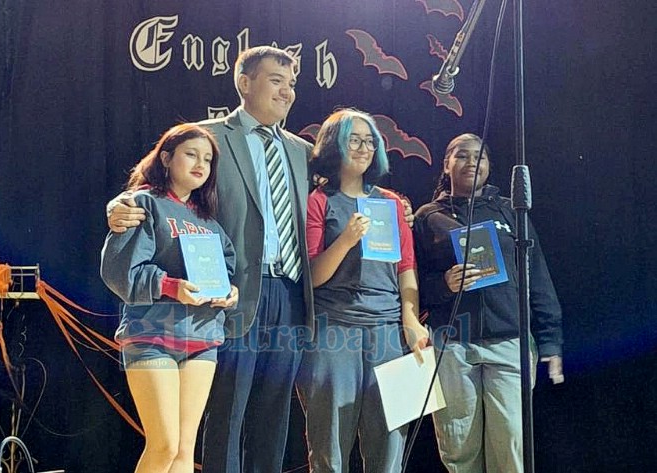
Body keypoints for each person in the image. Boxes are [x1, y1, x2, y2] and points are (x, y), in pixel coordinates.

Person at [107, 46, 315, 473]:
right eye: (276, 80)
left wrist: (401, 207)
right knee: (225, 413)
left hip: (290, 292)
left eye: (291, 84)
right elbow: (159, 192)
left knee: (274, 417)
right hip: (227, 294)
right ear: (244, 82)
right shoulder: (208, 136)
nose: (286, 91)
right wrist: (116, 208)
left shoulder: (301, 150)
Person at [412, 133, 564, 473]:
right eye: (462, 155)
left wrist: (550, 338)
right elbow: (410, 284)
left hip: (509, 342)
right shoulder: (426, 217)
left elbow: (536, 275)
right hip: (452, 347)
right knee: (458, 450)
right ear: (447, 163)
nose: (471, 162)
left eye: (479, 156)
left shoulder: (511, 211)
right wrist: (444, 285)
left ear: (489, 166)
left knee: (511, 445)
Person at [296, 109, 429, 472]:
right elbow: (313, 276)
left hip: (387, 332)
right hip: (333, 331)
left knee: (389, 443)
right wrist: (346, 239)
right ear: (334, 144)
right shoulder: (317, 201)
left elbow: (406, 268)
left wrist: (411, 320)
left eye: (370, 141)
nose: (363, 147)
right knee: (328, 444)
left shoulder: (390, 202)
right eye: (354, 139)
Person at [100, 123, 239, 473]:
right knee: (164, 445)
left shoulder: (209, 222)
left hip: (203, 338)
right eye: (191, 154)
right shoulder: (142, 204)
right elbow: (120, 271)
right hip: (152, 334)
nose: (200, 164)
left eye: (207, 159)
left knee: (183, 452)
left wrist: (229, 294)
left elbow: (226, 273)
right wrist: (170, 286)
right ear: (166, 157)